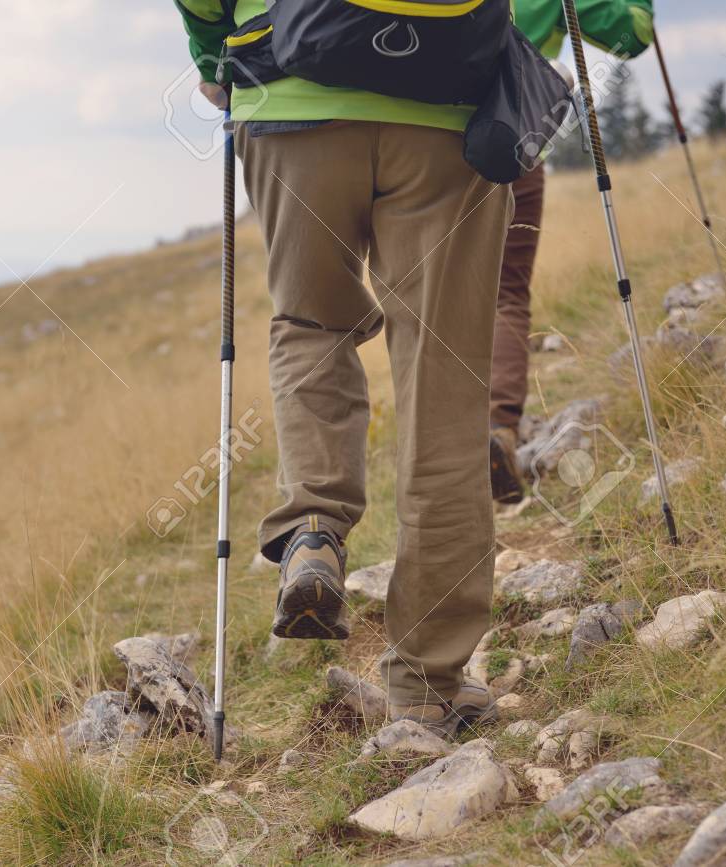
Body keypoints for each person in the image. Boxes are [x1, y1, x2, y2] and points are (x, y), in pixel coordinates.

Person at [173, 0, 513, 735]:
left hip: (289, 91)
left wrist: (213, 56)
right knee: (444, 378)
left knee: (311, 324)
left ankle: (313, 531)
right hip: (447, 98)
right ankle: (426, 682)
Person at [488, 0, 656, 504]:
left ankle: (438, 450)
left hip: (421, 137)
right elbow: (632, 33)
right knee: (505, 292)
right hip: (513, 137)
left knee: (426, 297)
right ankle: (497, 427)